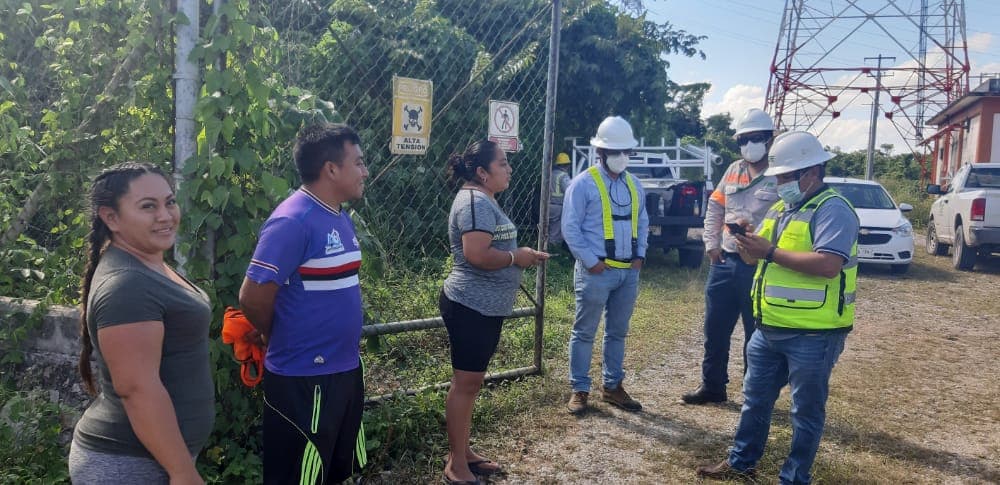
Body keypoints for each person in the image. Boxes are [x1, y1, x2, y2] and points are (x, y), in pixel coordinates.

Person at [697, 131, 859, 484]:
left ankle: (794, 478)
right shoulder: (782, 208)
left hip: (813, 334)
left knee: (805, 412)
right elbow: (757, 261)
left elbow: (829, 264)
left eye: (786, 176)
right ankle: (741, 462)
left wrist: (768, 250)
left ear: (811, 173)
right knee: (754, 400)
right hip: (769, 327)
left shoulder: (833, 209)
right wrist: (746, 243)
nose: (780, 183)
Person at [239, 123, 369, 485]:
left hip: (343, 369)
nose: (365, 171)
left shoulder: (339, 216)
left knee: (332, 471)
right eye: (358, 163)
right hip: (304, 378)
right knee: (297, 476)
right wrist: (273, 334)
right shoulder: (292, 221)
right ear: (331, 169)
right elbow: (252, 296)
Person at [69, 162, 214, 484]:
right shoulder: (127, 285)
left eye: (169, 202)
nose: (165, 215)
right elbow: (137, 389)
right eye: (148, 207)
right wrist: (182, 472)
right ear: (111, 218)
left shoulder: (147, 263)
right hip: (129, 465)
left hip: (152, 458)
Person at [440, 139, 549, 484]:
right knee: (466, 384)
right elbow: (477, 254)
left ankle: (462, 451)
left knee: (470, 383)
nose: (509, 169)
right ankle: (455, 465)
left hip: (482, 307)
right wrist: (519, 257)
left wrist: (522, 253)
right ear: (483, 173)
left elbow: (492, 247)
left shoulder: (483, 200)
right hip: (470, 305)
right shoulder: (475, 203)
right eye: (503, 164)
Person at [683, 108, 778, 405]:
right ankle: (712, 386)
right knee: (715, 328)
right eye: (744, 140)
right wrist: (711, 244)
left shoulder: (781, 173)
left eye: (756, 138)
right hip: (724, 262)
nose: (749, 145)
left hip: (760, 265)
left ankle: (755, 395)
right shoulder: (734, 169)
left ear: (770, 139)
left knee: (756, 335)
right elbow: (715, 207)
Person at [563, 116, 649, 414]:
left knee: (617, 332)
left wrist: (640, 256)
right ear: (601, 152)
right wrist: (590, 262)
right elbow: (570, 229)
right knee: (585, 331)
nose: (622, 157)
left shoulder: (634, 185)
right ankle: (580, 389)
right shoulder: (583, 183)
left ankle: (613, 387)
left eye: (626, 151)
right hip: (596, 272)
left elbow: (643, 222)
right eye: (616, 152)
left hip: (627, 272)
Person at [547, 152, 573, 250]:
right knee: (556, 230)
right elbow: (570, 190)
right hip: (558, 207)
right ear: (567, 165)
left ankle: (545, 246)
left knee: (547, 229)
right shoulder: (563, 176)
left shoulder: (550, 173)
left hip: (546, 206)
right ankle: (553, 249)